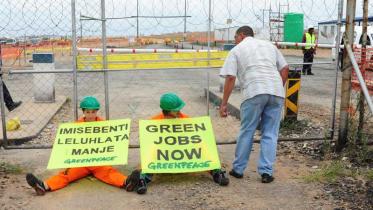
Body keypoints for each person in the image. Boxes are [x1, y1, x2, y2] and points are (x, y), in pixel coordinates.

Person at [25, 96, 140, 195]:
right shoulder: (76, 126)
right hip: (82, 162)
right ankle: (44, 185)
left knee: (109, 172)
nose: (90, 115)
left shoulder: (105, 125)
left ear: (97, 111)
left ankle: (127, 182)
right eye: (88, 112)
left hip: (98, 160)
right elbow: (69, 143)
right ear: (83, 112)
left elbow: (112, 141)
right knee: (66, 174)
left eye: (93, 112)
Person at [219, 26, 289, 183]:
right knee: (270, 133)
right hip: (276, 93)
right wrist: (277, 86)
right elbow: (285, 68)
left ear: (242, 36)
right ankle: (266, 172)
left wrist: (224, 104)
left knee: (247, 130)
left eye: (235, 37)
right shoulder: (269, 46)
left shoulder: (237, 50)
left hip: (254, 92)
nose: (235, 40)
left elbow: (230, 78)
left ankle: (238, 169)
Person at [136, 93, 229, 194]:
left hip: (184, 157)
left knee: (204, 149)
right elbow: (148, 144)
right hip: (164, 159)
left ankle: (216, 172)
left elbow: (198, 139)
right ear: (168, 110)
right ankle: (142, 180)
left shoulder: (185, 120)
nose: (179, 111)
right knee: (149, 157)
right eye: (176, 109)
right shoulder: (154, 122)